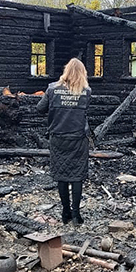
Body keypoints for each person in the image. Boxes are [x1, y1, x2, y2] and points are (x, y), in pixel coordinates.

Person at [36, 58, 91, 225]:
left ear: (66, 70)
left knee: (61, 175)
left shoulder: (52, 89)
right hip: (78, 139)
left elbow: (40, 109)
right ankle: (76, 215)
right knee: (77, 176)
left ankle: (65, 212)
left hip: (57, 137)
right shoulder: (86, 91)